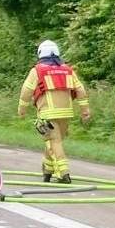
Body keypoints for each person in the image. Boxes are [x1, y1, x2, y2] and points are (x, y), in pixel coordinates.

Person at [16, 41, 91, 183]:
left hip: (47, 113)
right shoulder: (68, 70)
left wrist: (22, 110)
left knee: (53, 141)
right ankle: (48, 171)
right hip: (66, 113)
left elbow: (26, 91)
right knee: (55, 141)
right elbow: (80, 90)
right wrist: (85, 110)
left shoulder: (37, 70)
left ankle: (64, 174)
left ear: (40, 54)